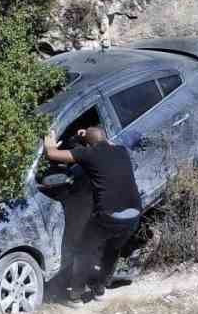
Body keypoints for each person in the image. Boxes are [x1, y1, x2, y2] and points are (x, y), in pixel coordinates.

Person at [43, 124, 142, 302]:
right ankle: (100, 288)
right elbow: (105, 142)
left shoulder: (88, 154)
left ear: (88, 144)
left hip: (108, 217)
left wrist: (49, 141)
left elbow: (52, 155)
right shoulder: (121, 150)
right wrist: (87, 136)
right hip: (134, 215)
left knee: (83, 251)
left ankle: (75, 295)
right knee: (113, 249)